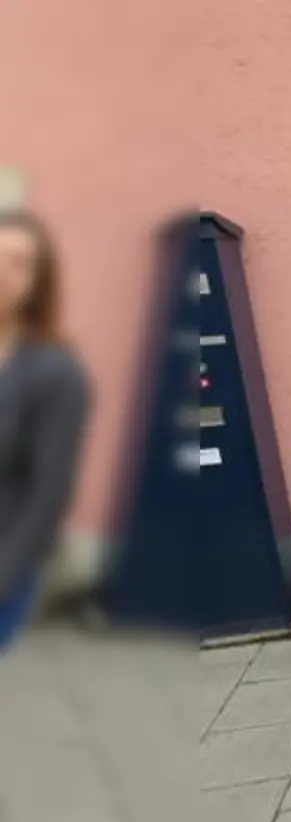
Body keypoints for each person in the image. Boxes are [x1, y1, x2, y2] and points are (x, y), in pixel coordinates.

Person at [0, 209, 90, 651]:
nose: (3, 273)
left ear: (38, 281)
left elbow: (47, 492)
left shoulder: (55, 372)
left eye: (19, 263)